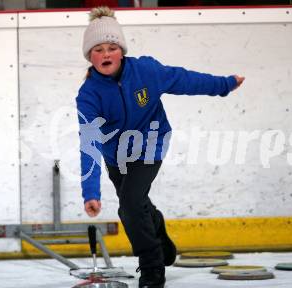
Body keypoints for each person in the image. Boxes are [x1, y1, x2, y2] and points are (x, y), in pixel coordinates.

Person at [76, 6, 244, 288]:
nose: (106, 54)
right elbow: (89, 144)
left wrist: (223, 84)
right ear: (89, 56)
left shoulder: (146, 71)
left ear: (122, 51)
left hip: (150, 143)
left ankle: (152, 268)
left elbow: (185, 79)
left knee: (129, 205)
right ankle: (156, 227)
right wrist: (90, 192)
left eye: (112, 47)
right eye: (98, 49)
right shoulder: (89, 94)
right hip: (115, 155)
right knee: (136, 205)